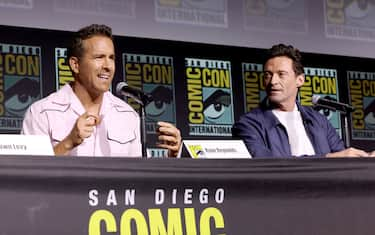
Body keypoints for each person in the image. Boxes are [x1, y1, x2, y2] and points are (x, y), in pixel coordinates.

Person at [21, 24, 181, 157]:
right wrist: (68, 143)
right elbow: (28, 176)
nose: (108, 66)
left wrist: (172, 157)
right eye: (99, 57)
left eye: (111, 58)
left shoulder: (127, 115)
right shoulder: (41, 113)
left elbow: (137, 180)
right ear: (75, 65)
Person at [232, 44, 375, 158]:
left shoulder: (319, 120)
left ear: (300, 80)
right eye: (268, 75)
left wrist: (366, 157)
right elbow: (270, 166)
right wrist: (326, 158)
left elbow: (342, 157)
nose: (273, 81)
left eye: (281, 74)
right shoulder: (248, 124)